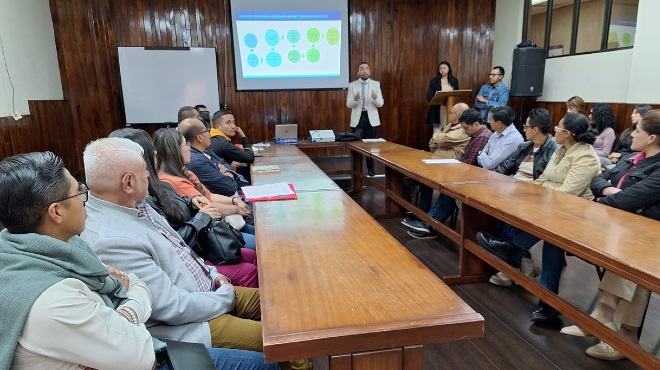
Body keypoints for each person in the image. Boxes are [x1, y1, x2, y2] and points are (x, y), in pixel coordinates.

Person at [81, 137, 310, 370]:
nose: (150, 175)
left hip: (209, 291)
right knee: (290, 344)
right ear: (128, 182)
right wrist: (224, 298)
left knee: (285, 304)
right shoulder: (112, 238)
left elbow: (183, 250)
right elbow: (170, 307)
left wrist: (214, 275)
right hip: (194, 322)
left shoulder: (137, 204)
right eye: (144, 170)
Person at [0, 151, 155, 370]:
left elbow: (135, 282)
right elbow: (144, 358)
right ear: (57, 212)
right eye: (78, 192)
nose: (84, 198)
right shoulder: (53, 299)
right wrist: (127, 312)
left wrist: (120, 320)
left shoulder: (40, 251)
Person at [477, 113, 601, 323]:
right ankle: (547, 304)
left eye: (558, 128)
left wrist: (541, 192)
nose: (555, 130)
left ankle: (513, 250)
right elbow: (543, 178)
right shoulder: (561, 150)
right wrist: (530, 193)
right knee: (547, 234)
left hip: (577, 215)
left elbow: (568, 193)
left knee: (550, 235)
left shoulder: (586, 156)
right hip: (555, 209)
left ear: (568, 133)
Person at [561, 110, 660, 361]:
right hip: (622, 228)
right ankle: (611, 327)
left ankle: (621, 334)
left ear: (652, 138)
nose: (632, 134)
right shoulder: (632, 157)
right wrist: (610, 191)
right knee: (625, 265)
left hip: (647, 236)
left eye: (638, 131)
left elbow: (630, 199)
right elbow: (598, 178)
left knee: (633, 269)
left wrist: (612, 197)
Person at [109, 128, 258, 287]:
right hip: (197, 253)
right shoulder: (145, 198)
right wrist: (206, 215)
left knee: (252, 254)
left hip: (202, 245)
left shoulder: (162, 185)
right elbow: (173, 244)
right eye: (185, 144)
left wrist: (191, 200)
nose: (189, 147)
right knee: (252, 261)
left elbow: (201, 199)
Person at [486, 108, 560, 286]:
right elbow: (505, 166)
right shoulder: (524, 146)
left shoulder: (553, 150)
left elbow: (545, 180)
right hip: (512, 189)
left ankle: (510, 268)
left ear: (535, 130)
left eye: (526, 126)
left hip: (532, 195)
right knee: (495, 212)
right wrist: (488, 181)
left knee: (511, 219)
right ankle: (522, 263)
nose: (523, 129)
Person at [154, 128, 257, 242]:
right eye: (186, 144)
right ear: (175, 151)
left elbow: (209, 195)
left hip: (220, 224)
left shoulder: (186, 172)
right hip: (211, 234)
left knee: (258, 233)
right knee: (259, 242)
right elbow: (208, 207)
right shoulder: (172, 181)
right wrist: (236, 209)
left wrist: (234, 201)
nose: (189, 148)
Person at [402, 108, 491, 239]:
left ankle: (429, 223)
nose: (465, 132)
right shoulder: (476, 135)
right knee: (443, 187)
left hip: (474, 178)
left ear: (476, 124)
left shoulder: (482, 137)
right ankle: (427, 221)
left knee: (449, 192)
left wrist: (455, 163)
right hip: (466, 173)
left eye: (466, 128)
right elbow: (465, 158)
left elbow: (470, 163)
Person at [180, 118, 247, 197]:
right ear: (199, 138)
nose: (210, 135)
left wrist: (227, 173)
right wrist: (228, 174)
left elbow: (223, 162)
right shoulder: (196, 162)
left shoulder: (205, 149)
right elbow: (230, 188)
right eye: (207, 132)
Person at [346, 62, 384, 177]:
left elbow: (380, 104)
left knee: (370, 146)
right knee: (357, 146)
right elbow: (348, 104)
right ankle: (357, 172)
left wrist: (375, 98)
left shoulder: (376, 84)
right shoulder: (352, 85)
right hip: (358, 119)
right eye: (362, 69)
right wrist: (356, 99)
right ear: (358, 72)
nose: (364, 71)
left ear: (370, 72)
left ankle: (371, 170)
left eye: (367, 69)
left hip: (371, 119)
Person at [209, 109, 255, 182]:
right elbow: (250, 158)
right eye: (228, 123)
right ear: (218, 127)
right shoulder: (223, 143)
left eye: (234, 122)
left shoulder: (214, 136)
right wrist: (243, 136)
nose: (233, 126)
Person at [477, 105, 524, 170]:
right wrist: (484, 155)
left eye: (490, 119)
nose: (488, 122)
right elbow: (479, 160)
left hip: (501, 176)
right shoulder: (497, 132)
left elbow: (489, 164)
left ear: (499, 123)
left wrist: (482, 153)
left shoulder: (513, 139)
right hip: (487, 172)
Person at [426, 61, 459, 133]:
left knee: (449, 131)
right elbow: (430, 96)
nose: (442, 70)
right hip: (437, 109)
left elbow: (456, 94)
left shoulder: (454, 81)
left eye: (444, 68)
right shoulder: (434, 81)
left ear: (449, 69)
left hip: (450, 109)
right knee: (436, 132)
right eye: (440, 68)